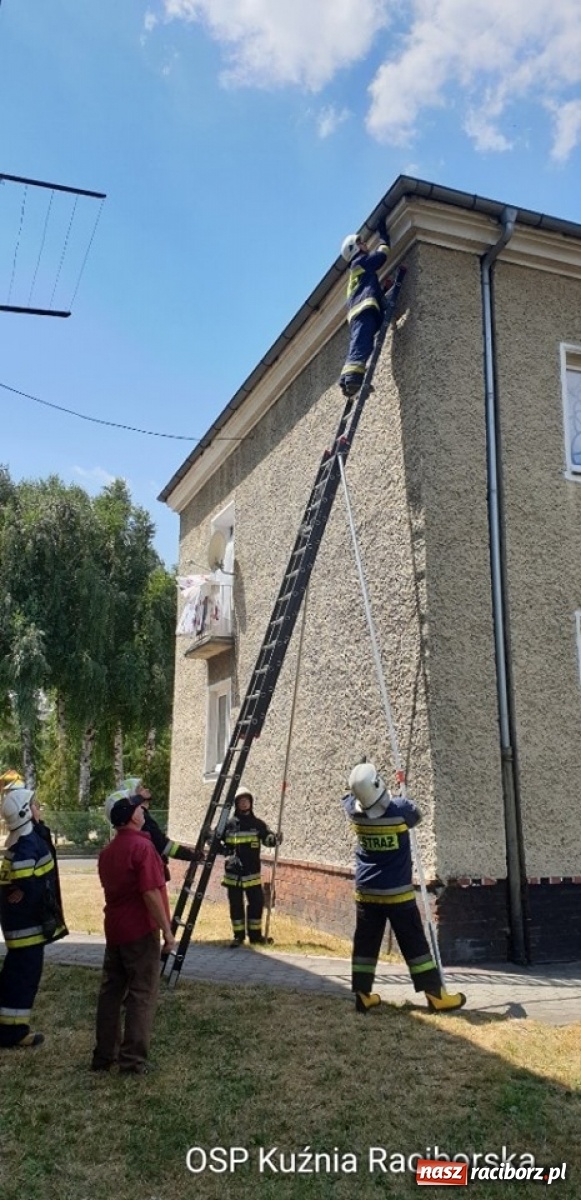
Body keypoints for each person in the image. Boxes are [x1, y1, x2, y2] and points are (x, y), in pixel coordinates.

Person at [343, 762, 466, 1015]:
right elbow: (417, 815)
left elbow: (347, 798)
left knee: (366, 943)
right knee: (414, 944)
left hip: (366, 892)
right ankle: (435, 995)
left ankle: (363, 996)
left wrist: (356, 781)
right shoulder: (401, 810)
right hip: (397, 893)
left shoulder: (353, 812)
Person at [91, 794, 177, 1074]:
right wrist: (167, 931)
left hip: (114, 929)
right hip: (140, 931)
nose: (144, 810)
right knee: (141, 993)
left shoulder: (108, 851)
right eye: (141, 807)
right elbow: (150, 892)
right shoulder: (143, 847)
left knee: (111, 991)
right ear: (133, 816)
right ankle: (132, 1060)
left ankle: (104, 1055)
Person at [0, 780, 67, 1048]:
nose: (38, 807)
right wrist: (24, 887)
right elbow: (25, 871)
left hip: (20, 926)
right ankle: (13, 1032)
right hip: (27, 928)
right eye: (34, 804)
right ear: (24, 812)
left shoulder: (21, 838)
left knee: (15, 976)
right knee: (23, 980)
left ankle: (8, 1029)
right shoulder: (27, 843)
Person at [105, 777, 201, 882]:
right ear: (133, 797)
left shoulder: (132, 826)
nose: (146, 790)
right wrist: (191, 855)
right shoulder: (142, 821)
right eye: (140, 789)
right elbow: (162, 844)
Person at [221, 786, 281, 947]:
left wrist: (275, 839)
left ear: (251, 803)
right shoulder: (229, 824)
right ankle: (238, 936)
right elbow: (216, 841)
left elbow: (267, 839)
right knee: (236, 905)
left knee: (256, 903)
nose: (244, 803)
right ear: (236, 804)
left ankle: (255, 936)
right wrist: (213, 840)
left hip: (252, 872)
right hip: (234, 873)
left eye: (246, 800)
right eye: (241, 801)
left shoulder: (258, 824)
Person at [339, 216, 392, 399]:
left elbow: (367, 289)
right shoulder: (360, 262)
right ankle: (352, 379)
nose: (365, 244)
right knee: (361, 345)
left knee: (361, 344)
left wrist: (383, 289)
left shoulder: (358, 271)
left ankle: (347, 381)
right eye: (361, 242)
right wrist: (384, 236)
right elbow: (382, 256)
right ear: (355, 248)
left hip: (359, 312)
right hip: (363, 311)